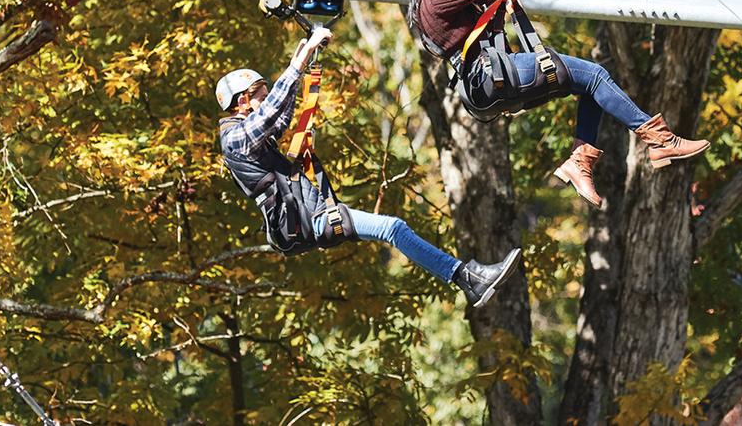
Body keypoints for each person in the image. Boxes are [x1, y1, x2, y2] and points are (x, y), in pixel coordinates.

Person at [402, 0, 710, 208]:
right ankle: (658, 139)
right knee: (595, 75)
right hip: (498, 74)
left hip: (491, 86)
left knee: (589, 87)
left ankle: (580, 162)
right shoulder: (433, 1)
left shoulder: (438, 3)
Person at [216, 26, 520, 308]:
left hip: (312, 217)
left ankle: (469, 278)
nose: (267, 97)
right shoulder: (234, 139)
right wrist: (297, 65)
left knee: (393, 228)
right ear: (242, 101)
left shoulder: (252, 138)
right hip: (310, 222)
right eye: (260, 94)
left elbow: (278, 120)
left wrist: (304, 68)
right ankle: (468, 278)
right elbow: (269, 115)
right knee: (392, 227)